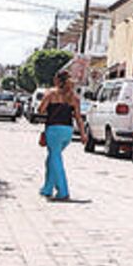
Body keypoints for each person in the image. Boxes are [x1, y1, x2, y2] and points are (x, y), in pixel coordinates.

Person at [37, 70, 88, 200]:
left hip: (54, 130)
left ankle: (63, 191)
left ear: (57, 80)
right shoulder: (74, 97)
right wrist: (83, 134)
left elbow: (41, 110)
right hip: (67, 131)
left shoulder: (51, 94)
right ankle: (47, 188)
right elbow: (78, 118)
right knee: (52, 159)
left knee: (55, 159)